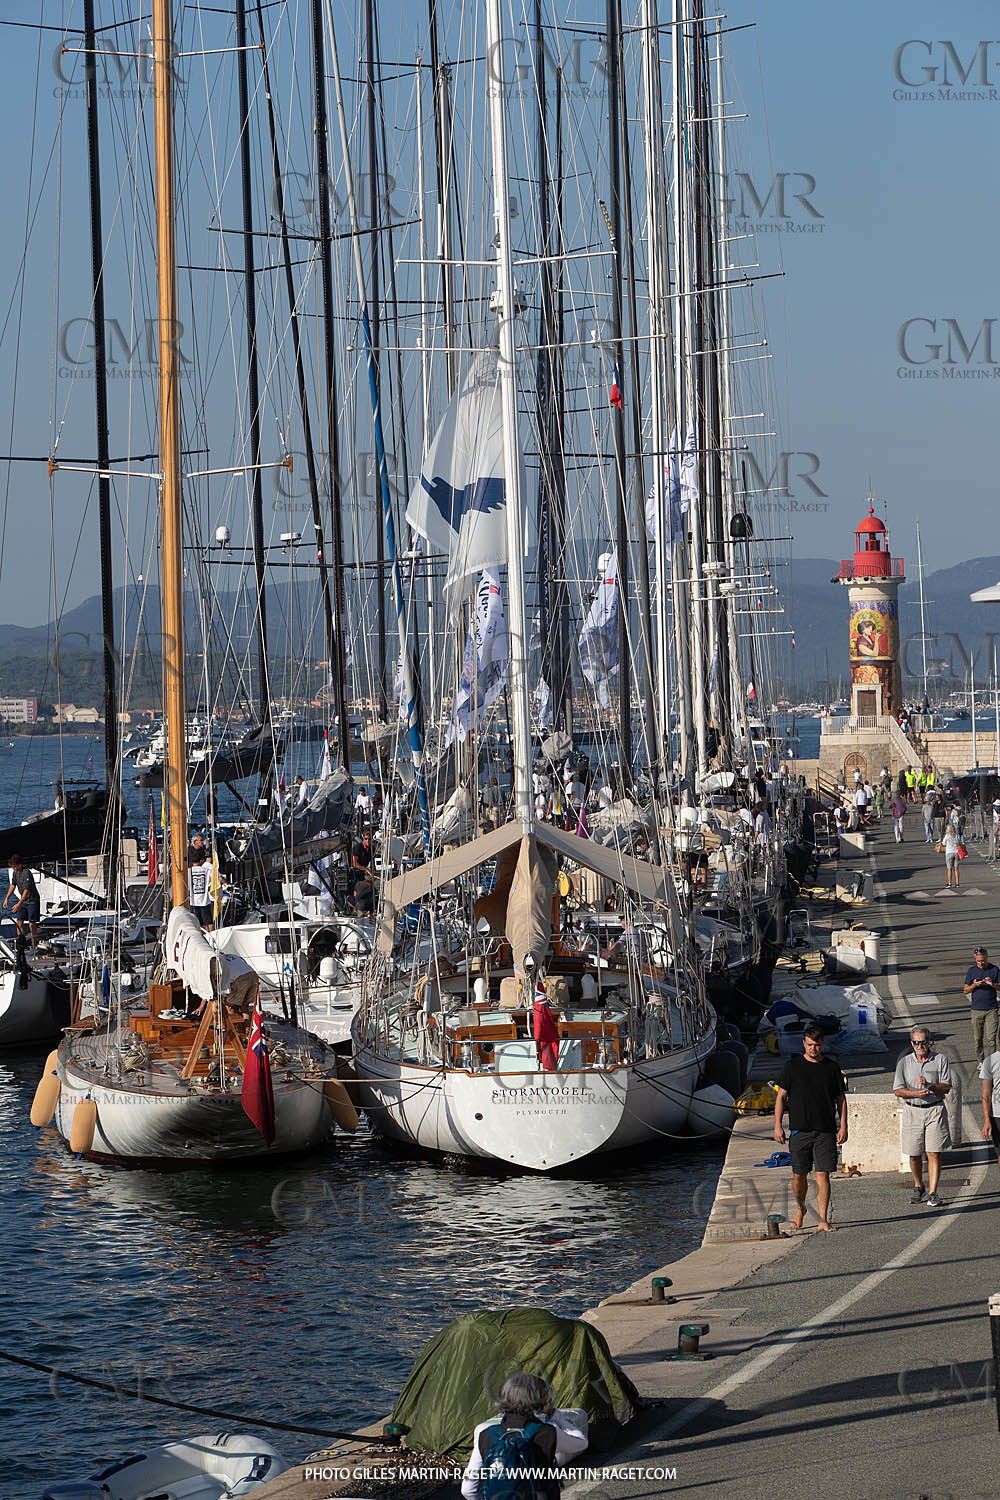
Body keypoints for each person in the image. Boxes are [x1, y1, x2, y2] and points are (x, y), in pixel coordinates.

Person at [461, 1372, 588, 1500]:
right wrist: (557, 1415)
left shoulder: (486, 1434)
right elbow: (581, 1443)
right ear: (540, 1398)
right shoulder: (547, 1432)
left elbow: (468, 1489)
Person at [773, 1023, 847, 1232]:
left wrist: (843, 1126)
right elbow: (781, 1097)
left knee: (823, 1174)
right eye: (809, 1044)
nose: (813, 1048)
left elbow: (841, 1099)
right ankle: (801, 1208)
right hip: (799, 1130)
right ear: (803, 1044)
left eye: (816, 1045)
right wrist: (778, 1125)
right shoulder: (792, 1066)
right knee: (799, 1176)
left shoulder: (832, 1068)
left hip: (825, 1130)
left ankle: (823, 1219)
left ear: (822, 1044)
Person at [893, 1027, 951, 1207]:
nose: (920, 1046)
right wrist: (915, 1094)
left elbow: (946, 1087)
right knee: (914, 1154)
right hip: (913, 1110)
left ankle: (933, 1192)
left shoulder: (940, 1060)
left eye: (923, 1042)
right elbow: (898, 1090)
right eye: (916, 1042)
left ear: (929, 1042)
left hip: (934, 1109)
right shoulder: (904, 1063)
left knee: (934, 1152)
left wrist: (931, 1086)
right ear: (912, 1044)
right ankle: (919, 1186)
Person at [964, 945, 1000, 1063]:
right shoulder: (971, 971)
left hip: (991, 1009)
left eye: (983, 960)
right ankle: (981, 1061)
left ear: (987, 957)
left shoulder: (994, 970)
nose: (981, 963)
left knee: (991, 1039)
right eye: (978, 961)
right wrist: (974, 985)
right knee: (978, 1039)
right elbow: (965, 990)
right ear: (975, 959)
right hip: (976, 1009)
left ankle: (992, 1062)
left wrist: (992, 984)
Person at [4, 855, 39, 947]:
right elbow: (13, 885)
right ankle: (21, 943)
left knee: (32, 924)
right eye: (12, 867)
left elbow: (26, 891)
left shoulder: (26, 873)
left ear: (19, 865)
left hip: (32, 900)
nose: (13, 868)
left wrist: (19, 904)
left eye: (14, 866)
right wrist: (7, 898)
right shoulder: (15, 873)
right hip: (23, 901)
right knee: (19, 921)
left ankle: (34, 944)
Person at [188, 847, 215, 930]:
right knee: (208, 922)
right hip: (205, 901)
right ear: (201, 860)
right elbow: (216, 880)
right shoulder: (206, 870)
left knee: (197, 923)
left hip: (193, 902)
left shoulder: (188, 871)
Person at [942, 821, 961, 890]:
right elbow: (959, 842)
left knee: (949, 869)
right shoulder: (956, 835)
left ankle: (949, 883)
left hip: (949, 852)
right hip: (956, 852)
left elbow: (943, 843)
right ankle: (957, 883)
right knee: (956, 868)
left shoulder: (947, 836)